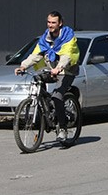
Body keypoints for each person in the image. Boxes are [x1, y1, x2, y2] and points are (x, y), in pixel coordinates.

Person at [15, 11, 80, 141]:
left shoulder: (68, 37)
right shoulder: (45, 38)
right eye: (48, 22)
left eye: (53, 22)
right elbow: (36, 55)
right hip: (51, 70)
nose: (50, 25)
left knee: (57, 97)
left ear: (60, 23)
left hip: (66, 71)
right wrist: (23, 66)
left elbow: (67, 55)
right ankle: (46, 108)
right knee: (37, 79)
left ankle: (63, 129)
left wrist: (59, 68)